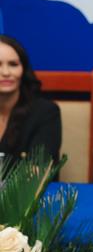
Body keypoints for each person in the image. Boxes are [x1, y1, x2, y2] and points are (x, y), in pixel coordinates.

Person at [0, 34, 61, 163]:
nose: (6, 72)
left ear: (23, 69)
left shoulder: (45, 112)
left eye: (13, 64)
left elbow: (38, 169)